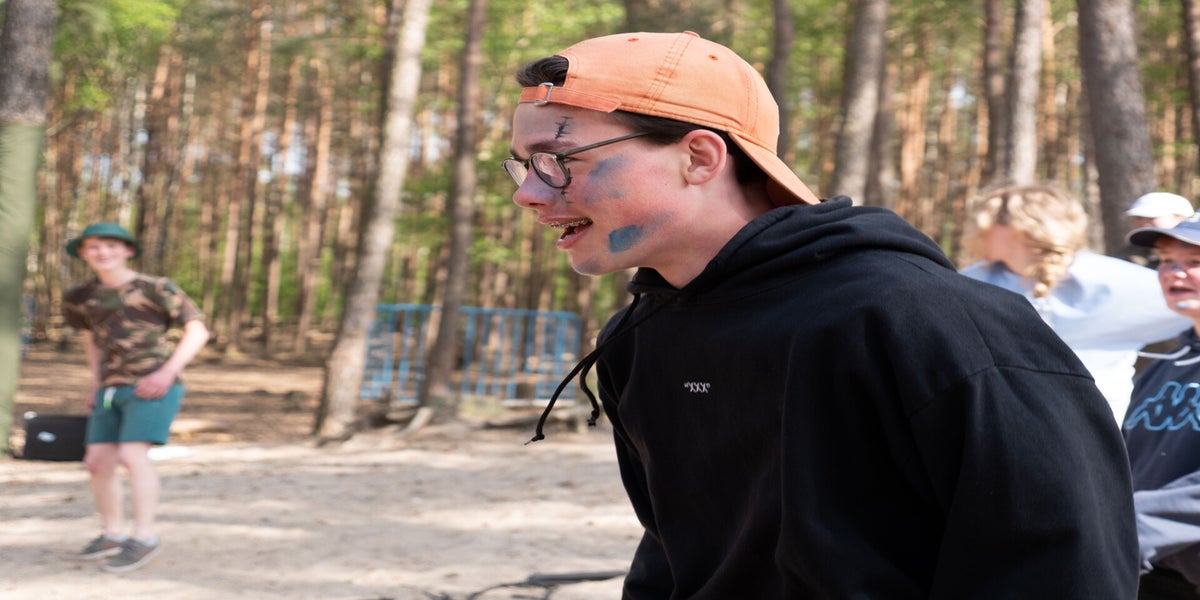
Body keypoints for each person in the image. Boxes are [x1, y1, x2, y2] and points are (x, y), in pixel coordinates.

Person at [505, 31, 1137, 598]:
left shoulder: (928, 321)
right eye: (522, 165)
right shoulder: (637, 339)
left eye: (560, 160)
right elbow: (676, 554)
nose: (526, 194)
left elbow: (1065, 566)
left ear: (699, 157)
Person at [960, 184, 1188, 421]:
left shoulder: (1115, 281)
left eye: (989, 220)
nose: (976, 230)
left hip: (1098, 428)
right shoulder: (970, 283)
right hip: (1001, 422)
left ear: (1025, 229)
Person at [61, 222, 209, 573]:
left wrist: (166, 373)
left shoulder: (156, 288)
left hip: (153, 385)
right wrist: (96, 385)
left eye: (111, 245)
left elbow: (198, 330)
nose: (103, 252)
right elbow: (92, 341)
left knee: (132, 455)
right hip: (110, 388)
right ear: (83, 253)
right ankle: (112, 533)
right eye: (94, 246)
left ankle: (144, 538)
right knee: (97, 462)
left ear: (128, 250)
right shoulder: (80, 297)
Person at [1122, 214, 1200, 599]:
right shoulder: (1164, 366)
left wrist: (1121, 529)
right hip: (1145, 574)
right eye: (1166, 260)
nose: (1173, 273)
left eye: (1194, 261)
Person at [1116, 192, 1195, 268]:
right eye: (1139, 218)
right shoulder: (1128, 256)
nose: (1143, 223)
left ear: (1181, 218)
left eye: (1151, 217)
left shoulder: (1195, 254)